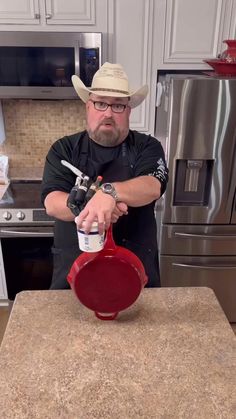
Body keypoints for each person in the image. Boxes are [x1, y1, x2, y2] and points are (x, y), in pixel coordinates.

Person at [41, 62, 168, 289]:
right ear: (87, 107)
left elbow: (151, 186)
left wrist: (109, 194)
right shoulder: (63, 149)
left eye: (118, 106)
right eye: (100, 103)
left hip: (135, 273)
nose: (108, 112)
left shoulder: (148, 146)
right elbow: (52, 202)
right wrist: (96, 207)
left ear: (129, 110)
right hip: (74, 275)